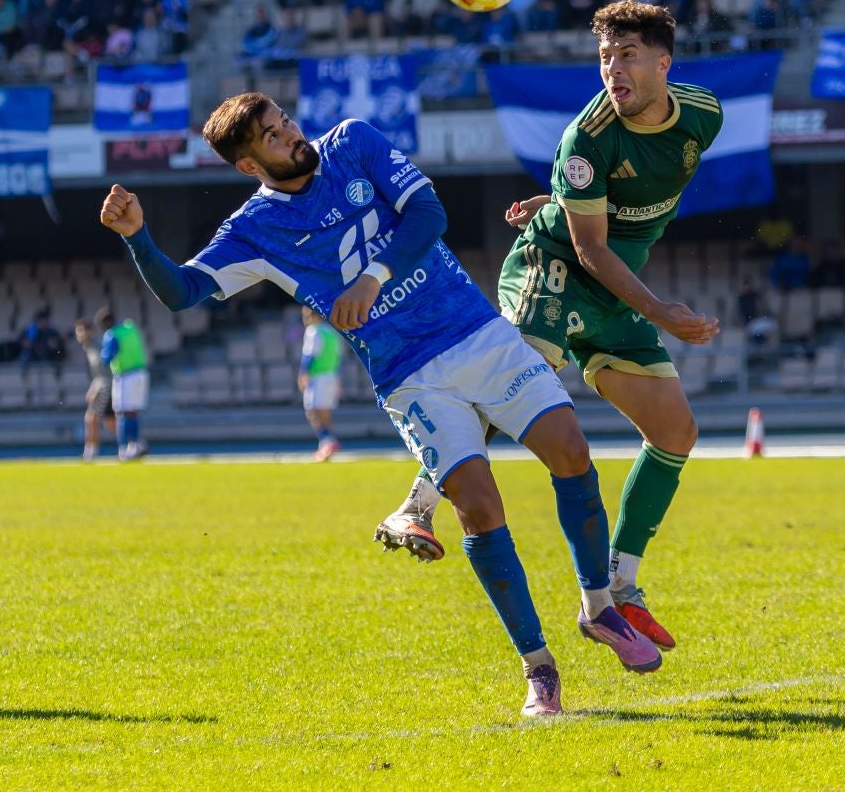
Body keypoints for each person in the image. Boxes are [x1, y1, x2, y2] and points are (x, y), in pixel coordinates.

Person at [103, 93, 662, 715]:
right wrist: (138, 238)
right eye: (271, 136)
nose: (290, 133)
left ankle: (598, 607)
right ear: (248, 166)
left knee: (572, 451)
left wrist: (373, 278)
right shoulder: (252, 231)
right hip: (410, 376)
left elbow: (427, 213)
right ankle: (538, 669)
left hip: (476, 333)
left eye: (285, 120)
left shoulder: (351, 142)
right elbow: (182, 291)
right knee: (478, 506)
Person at [377, 1, 720, 652]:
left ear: (663, 64)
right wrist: (664, 312)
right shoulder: (585, 138)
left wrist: (563, 197)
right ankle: (414, 507)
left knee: (676, 428)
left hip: (615, 283)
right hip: (556, 265)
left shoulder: (704, 113)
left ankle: (621, 584)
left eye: (626, 56)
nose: (612, 70)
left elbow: (618, 208)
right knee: (515, 373)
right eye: (604, 57)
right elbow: (588, 248)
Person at [96, 308, 148, 461]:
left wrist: (102, 354)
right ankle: (136, 444)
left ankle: (125, 448)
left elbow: (107, 357)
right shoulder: (130, 328)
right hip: (141, 373)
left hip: (125, 375)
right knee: (133, 411)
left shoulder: (112, 334)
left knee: (122, 412)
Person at [299, 306, 344, 461]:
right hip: (331, 375)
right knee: (325, 413)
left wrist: (303, 375)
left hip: (317, 376)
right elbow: (338, 357)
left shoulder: (314, 331)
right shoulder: (331, 332)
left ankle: (328, 441)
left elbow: (309, 355)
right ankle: (326, 446)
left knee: (311, 410)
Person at [74, 317, 115, 462]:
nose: (79, 335)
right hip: (102, 386)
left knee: (91, 419)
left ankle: (90, 453)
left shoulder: (96, 347)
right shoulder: (90, 348)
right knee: (111, 424)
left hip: (105, 387)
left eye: (81, 331)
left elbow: (104, 371)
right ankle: (136, 444)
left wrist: (96, 388)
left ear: (89, 331)